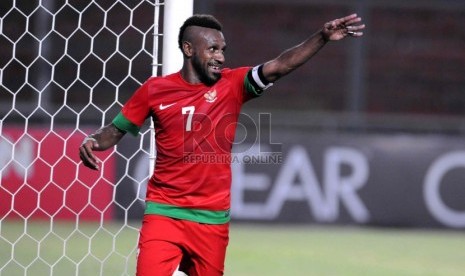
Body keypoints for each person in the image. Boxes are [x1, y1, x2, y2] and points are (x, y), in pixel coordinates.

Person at [79, 13, 365, 276]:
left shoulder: (232, 84)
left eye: (222, 50)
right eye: (212, 49)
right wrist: (93, 141)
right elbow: (116, 130)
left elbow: (280, 66)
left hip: (211, 220)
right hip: (165, 213)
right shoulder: (155, 90)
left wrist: (322, 37)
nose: (220, 57)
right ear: (189, 50)